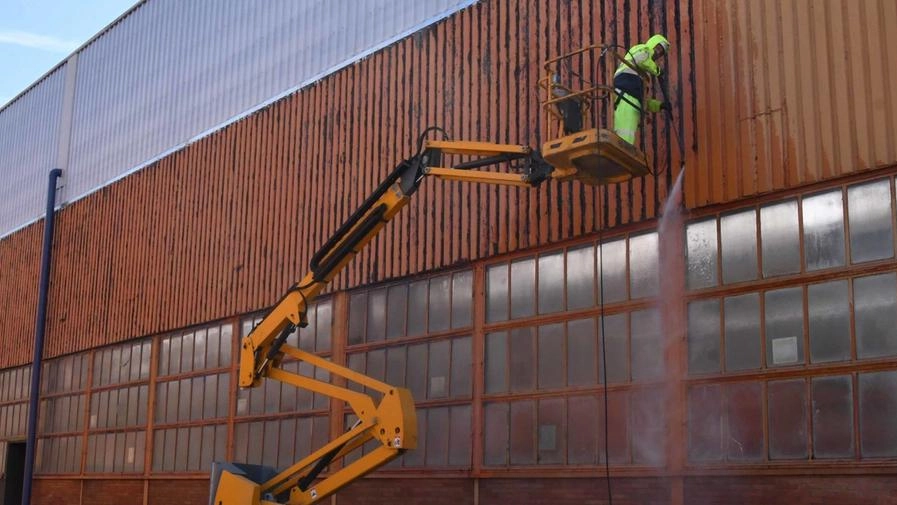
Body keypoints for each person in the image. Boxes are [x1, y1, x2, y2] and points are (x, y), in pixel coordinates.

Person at [612, 34, 671, 145]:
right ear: (652, 44)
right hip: (625, 94)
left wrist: (660, 105)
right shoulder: (643, 49)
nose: (658, 53)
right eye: (658, 48)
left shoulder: (642, 75)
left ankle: (624, 150)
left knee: (627, 132)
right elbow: (641, 59)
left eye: (661, 52)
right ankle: (624, 151)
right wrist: (657, 70)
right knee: (625, 132)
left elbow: (643, 100)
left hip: (631, 98)